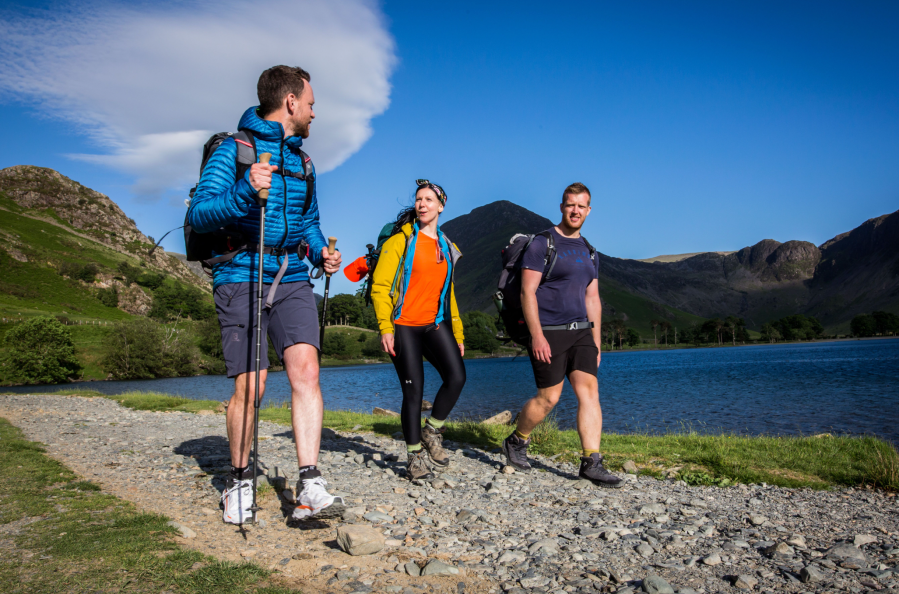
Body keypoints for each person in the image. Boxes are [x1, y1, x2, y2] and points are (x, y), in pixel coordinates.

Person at [188, 65, 345, 524]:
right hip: (240, 273)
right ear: (291, 102)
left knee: (306, 371)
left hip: (292, 274)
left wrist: (320, 254)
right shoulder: (233, 148)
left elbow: (309, 223)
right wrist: (243, 191)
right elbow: (199, 214)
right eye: (311, 103)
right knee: (252, 385)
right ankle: (238, 483)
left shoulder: (303, 162)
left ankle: (309, 485)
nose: (315, 112)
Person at [502, 183, 622, 488]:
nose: (576, 211)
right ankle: (517, 440)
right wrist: (537, 336)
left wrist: (596, 341)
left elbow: (592, 298)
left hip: (581, 332)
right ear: (562, 207)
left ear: (589, 210)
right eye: (571, 205)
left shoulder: (590, 251)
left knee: (589, 392)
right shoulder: (543, 243)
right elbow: (528, 291)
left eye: (582, 206)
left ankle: (591, 461)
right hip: (549, 334)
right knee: (548, 398)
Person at [371, 180, 466, 481]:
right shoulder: (400, 241)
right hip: (403, 327)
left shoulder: (447, 246)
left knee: (457, 377)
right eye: (418, 199)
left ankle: (431, 431)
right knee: (414, 392)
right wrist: (386, 327)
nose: (422, 204)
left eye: (428, 199)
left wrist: (458, 334)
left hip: (434, 324)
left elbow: (448, 294)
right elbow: (380, 287)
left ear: (441, 205)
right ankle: (414, 456)